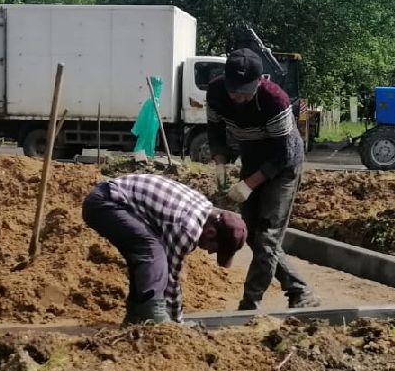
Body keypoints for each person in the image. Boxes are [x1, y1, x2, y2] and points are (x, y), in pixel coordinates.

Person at [206, 47, 318, 311]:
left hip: (284, 165)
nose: (238, 97)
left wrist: (248, 185)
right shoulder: (216, 93)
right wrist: (220, 164)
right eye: (234, 90)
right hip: (252, 158)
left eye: (245, 91)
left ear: (259, 82)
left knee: (268, 236)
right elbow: (215, 131)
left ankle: (249, 304)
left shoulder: (274, 100)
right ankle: (300, 290)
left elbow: (283, 154)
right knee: (253, 236)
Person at [82, 173, 246, 325]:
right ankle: (152, 314)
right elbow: (170, 277)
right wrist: (176, 325)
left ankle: (136, 317)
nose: (209, 252)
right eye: (214, 248)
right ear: (211, 232)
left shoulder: (204, 206)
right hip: (105, 203)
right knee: (152, 250)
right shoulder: (187, 229)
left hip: (116, 200)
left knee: (144, 261)